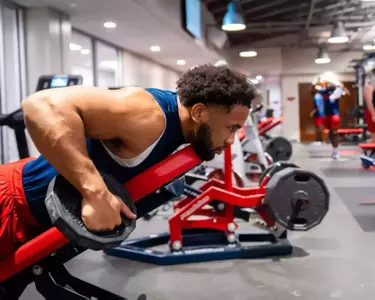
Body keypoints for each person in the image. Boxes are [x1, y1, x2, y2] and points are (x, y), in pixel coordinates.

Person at [0, 64, 258, 259]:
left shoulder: (187, 130)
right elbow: (40, 104)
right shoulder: (148, 115)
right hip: (10, 205)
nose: (232, 140)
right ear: (199, 112)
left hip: (36, 220)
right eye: (230, 128)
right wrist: (95, 192)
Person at [364, 69, 375, 143]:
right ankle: (373, 154)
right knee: (374, 137)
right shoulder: (369, 86)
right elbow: (369, 102)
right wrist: (373, 114)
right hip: (372, 111)